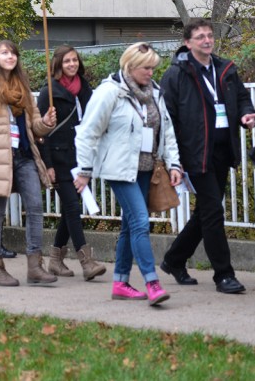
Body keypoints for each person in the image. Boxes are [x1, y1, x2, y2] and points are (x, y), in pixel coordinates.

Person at [75, 43, 182, 305]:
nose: (151, 72)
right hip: (119, 169)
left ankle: (120, 283)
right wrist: (85, 170)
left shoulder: (155, 92)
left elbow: (167, 131)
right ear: (130, 66)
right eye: (146, 67)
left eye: (153, 67)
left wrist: (174, 164)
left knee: (129, 225)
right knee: (141, 222)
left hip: (146, 168)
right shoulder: (109, 92)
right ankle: (152, 283)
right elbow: (87, 133)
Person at [159, 19, 255, 294]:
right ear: (187, 43)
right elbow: (167, 119)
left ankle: (174, 259)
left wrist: (245, 114)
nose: (207, 40)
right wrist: (173, 159)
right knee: (213, 211)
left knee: (206, 210)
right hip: (194, 153)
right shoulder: (176, 74)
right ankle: (224, 275)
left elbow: (241, 98)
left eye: (209, 35)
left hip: (222, 151)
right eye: (200, 36)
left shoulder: (225, 68)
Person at [0, 39, 58, 287]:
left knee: (35, 206)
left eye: (13, 53)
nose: (10, 56)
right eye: (5, 53)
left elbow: (35, 127)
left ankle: (35, 267)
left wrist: (46, 123)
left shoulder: (22, 89)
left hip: (24, 157)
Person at [38, 45, 106, 280]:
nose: (72, 64)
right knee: (73, 208)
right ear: (58, 64)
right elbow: (41, 133)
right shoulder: (48, 92)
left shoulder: (84, 88)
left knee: (71, 207)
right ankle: (87, 262)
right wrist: (47, 165)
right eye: (67, 61)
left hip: (80, 157)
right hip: (59, 159)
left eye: (74, 60)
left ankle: (55, 260)